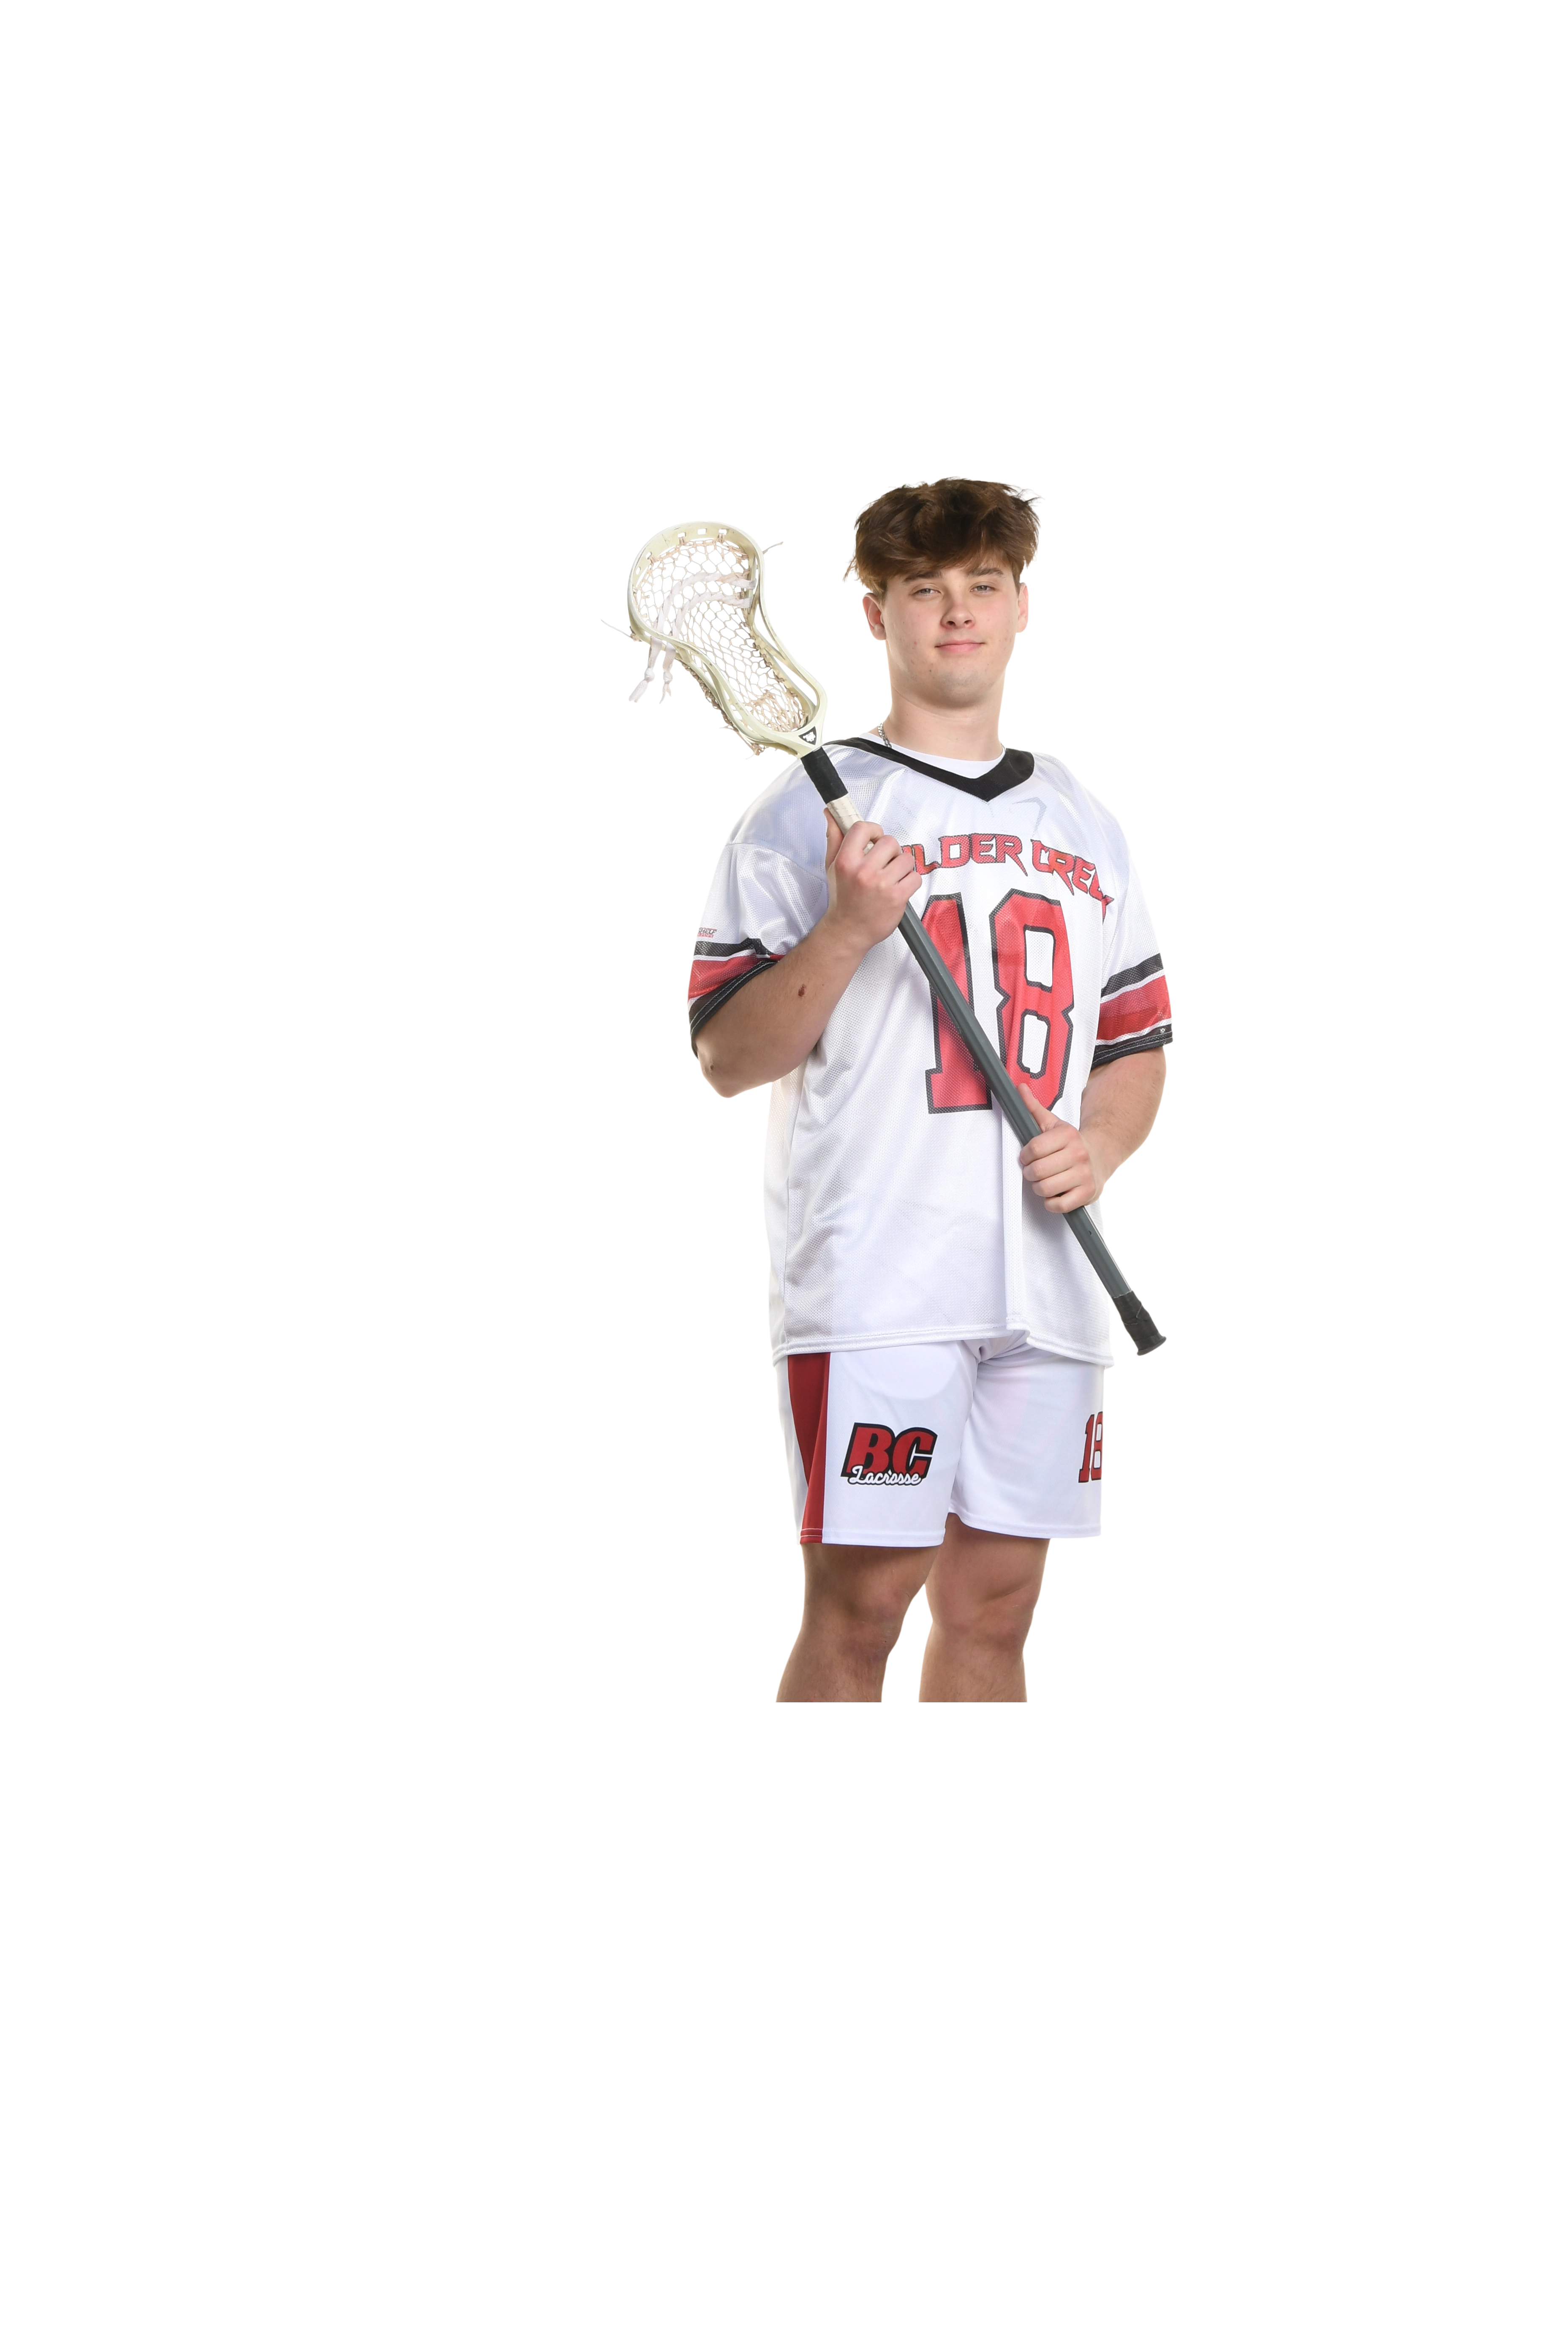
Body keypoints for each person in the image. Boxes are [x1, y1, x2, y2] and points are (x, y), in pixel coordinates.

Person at [686, 478, 1171, 1702]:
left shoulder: (1086, 820)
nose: (957, 612)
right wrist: (848, 927)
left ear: (1021, 606)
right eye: (924, 589)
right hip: (879, 1276)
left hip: (1047, 1281)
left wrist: (1103, 1148)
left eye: (983, 585)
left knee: (998, 1612)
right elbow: (728, 1057)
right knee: (862, 1610)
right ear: (876, 614)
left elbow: (1134, 1043)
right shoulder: (805, 811)